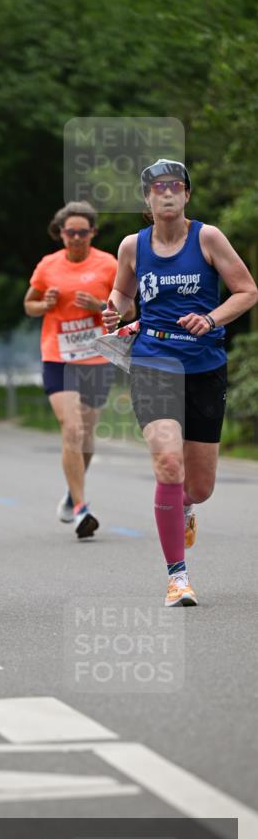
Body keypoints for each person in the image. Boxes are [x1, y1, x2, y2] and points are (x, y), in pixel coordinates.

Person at [103, 158, 258, 606]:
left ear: (187, 195)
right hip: (153, 361)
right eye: (157, 187)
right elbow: (125, 296)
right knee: (168, 463)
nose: (166, 193)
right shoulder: (132, 246)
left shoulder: (207, 237)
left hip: (204, 366)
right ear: (147, 199)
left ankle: (185, 506)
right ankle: (177, 577)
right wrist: (114, 308)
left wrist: (210, 319)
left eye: (175, 186)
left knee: (200, 486)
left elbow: (247, 291)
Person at [24, 201, 126, 538]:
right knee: (72, 427)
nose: (77, 238)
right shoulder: (48, 266)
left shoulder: (109, 264)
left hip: (96, 357)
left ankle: (72, 489)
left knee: (86, 432)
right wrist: (46, 304)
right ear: (61, 233)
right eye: (71, 232)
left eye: (84, 232)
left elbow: (128, 307)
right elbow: (30, 304)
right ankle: (82, 507)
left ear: (93, 233)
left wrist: (100, 306)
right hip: (59, 355)